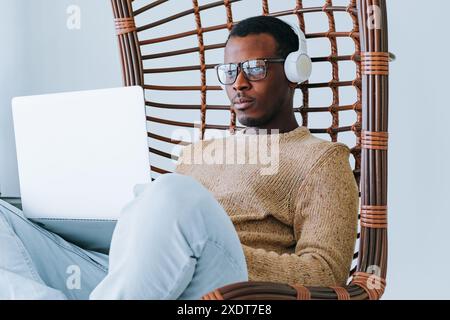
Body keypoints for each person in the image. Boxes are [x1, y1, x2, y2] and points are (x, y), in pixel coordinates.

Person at [0, 16, 358, 300]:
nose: (239, 83)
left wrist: (189, 248)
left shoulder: (320, 160)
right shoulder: (199, 152)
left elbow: (325, 276)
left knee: (173, 194)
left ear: (295, 72)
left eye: (256, 68)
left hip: (224, 285)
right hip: (130, 276)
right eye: (231, 71)